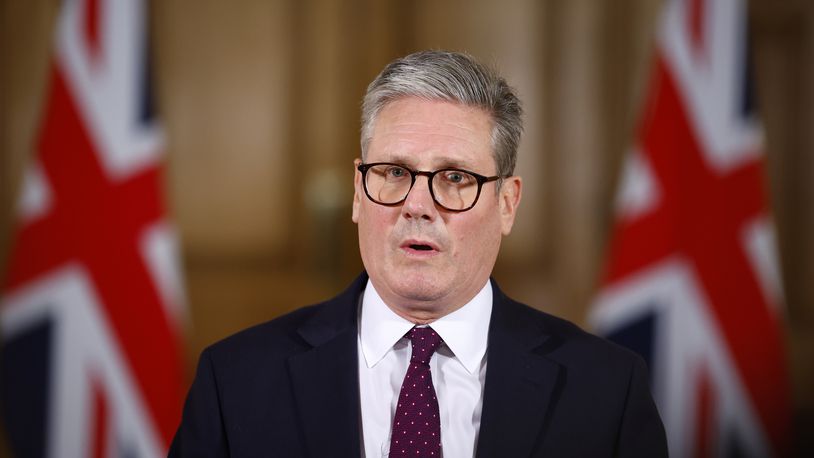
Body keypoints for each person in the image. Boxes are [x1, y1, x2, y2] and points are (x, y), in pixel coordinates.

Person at [169, 50, 668, 457]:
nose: (417, 205)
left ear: (508, 203)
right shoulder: (236, 381)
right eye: (394, 172)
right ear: (359, 194)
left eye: (455, 178)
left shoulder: (605, 390)